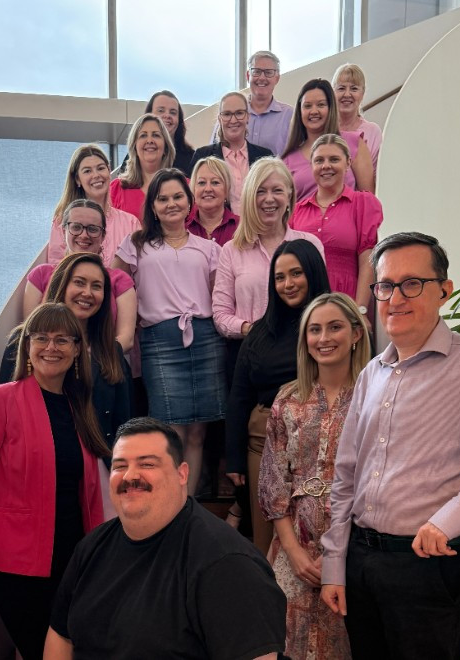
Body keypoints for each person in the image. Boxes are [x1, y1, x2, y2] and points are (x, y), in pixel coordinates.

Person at [320, 232, 460, 660]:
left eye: (412, 284)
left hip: (431, 569)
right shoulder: (372, 373)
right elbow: (346, 476)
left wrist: (452, 517)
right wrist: (335, 565)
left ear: (444, 290)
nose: (395, 298)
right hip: (362, 564)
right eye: (386, 286)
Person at [0, 303, 109, 660]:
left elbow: (88, 497)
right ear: (27, 346)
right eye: (41, 337)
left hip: (75, 562)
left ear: (77, 349)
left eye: (62, 339)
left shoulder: (80, 408)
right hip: (18, 568)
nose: (51, 347)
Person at [43, 417, 288, 660]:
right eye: (119, 466)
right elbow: (61, 636)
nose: (130, 476)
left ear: (182, 474)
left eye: (147, 464)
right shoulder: (91, 548)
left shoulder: (227, 563)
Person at [259, 293, 370, 660]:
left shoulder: (374, 398)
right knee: (289, 642)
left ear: (356, 334)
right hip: (293, 546)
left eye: (335, 327)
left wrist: (340, 556)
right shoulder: (288, 400)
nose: (324, 338)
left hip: (358, 546)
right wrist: (294, 553)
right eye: (315, 329)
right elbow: (274, 483)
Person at [112, 168, 226, 496]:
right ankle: (168, 502)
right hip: (159, 342)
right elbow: (115, 285)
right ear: (153, 205)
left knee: (198, 433)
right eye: (163, 199)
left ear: (189, 202)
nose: (171, 204)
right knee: (170, 432)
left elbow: (218, 296)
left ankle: (186, 505)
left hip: (205, 340)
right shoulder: (136, 244)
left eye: (178, 197)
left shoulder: (209, 248)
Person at [226, 239, 331, 556]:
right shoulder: (260, 332)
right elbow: (239, 395)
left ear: (313, 272)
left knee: (316, 539)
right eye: (280, 277)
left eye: (296, 273)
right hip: (263, 445)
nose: (288, 284)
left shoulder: (332, 328)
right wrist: (234, 458)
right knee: (266, 538)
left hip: (323, 445)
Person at [0, 253, 133, 452]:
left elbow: (124, 423)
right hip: (35, 457)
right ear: (61, 284)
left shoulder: (110, 350)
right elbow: (4, 410)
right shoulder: (23, 340)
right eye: (79, 282)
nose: (87, 293)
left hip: (97, 460)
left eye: (96, 286)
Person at [212, 157, 325, 381]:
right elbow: (221, 314)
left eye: (277, 190)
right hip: (251, 358)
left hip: (304, 356)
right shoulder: (231, 251)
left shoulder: (310, 244)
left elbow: (322, 301)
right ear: (249, 197)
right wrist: (253, 330)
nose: (269, 199)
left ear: (289, 195)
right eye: (260, 191)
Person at [291, 134, 383, 326]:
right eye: (319, 160)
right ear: (311, 165)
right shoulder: (297, 211)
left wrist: (360, 309)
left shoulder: (362, 203)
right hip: (305, 306)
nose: (326, 166)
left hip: (347, 302)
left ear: (348, 163)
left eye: (334, 159)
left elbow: (367, 259)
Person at [24, 199, 137, 353]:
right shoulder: (40, 275)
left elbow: (126, 339)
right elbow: (31, 330)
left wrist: (86, 357)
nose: (84, 235)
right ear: (64, 231)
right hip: (51, 360)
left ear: (103, 235)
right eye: (76, 227)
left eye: (93, 229)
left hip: (101, 363)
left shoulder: (120, 280)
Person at [281, 78, 374, 202]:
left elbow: (369, 199)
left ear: (331, 108)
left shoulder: (354, 143)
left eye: (321, 105)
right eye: (307, 106)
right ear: (299, 111)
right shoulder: (288, 161)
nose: (314, 111)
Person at [48, 144, 139, 266]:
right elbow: (56, 267)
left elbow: (141, 269)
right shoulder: (61, 221)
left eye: (100, 168)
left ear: (109, 170)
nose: (96, 175)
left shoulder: (131, 223)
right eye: (87, 171)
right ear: (77, 179)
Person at [190, 92, 273, 214]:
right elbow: (192, 198)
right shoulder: (202, 156)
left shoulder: (265, 157)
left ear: (248, 116)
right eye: (227, 114)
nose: (233, 120)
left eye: (239, 113)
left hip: (259, 224)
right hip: (217, 225)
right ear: (219, 119)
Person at [210, 50, 294, 157]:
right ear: (248, 75)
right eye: (256, 71)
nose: (262, 77)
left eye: (268, 72)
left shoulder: (289, 116)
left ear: (277, 78)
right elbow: (212, 153)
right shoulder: (229, 112)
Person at [110, 113, 175, 221]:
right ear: (134, 147)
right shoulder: (116, 189)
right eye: (143, 135)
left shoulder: (184, 187)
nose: (149, 140)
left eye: (156, 135)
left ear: (166, 147)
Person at [119, 90, 195, 176]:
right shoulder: (135, 156)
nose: (167, 115)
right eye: (161, 110)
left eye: (173, 112)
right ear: (149, 116)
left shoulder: (192, 158)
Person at [332, 63, 382, 172]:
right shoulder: (324, 128)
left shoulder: (372, 131)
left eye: (354, 89)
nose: (347, 94)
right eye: (341, 88)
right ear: (333, 93)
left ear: (362, 94)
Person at [186, 155, 239, 246]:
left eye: (215, 182)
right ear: (193, 189)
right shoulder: (183, 230)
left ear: (227, 189)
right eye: (201, 183)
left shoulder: (241, 228)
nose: (208, 189)